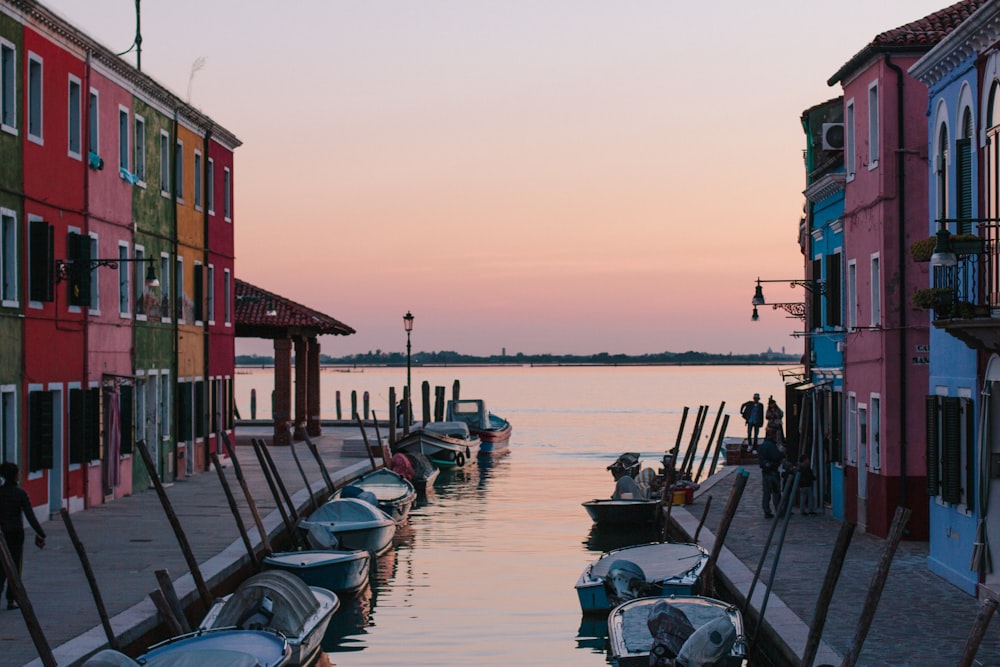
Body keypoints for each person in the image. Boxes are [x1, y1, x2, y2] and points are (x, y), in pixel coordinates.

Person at [0, 462, 46, 610]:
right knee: (15, 566)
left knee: (0, 566)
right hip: (16, 535)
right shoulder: (20, 494)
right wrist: (41, 533)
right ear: (14, 475)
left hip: (2, 534)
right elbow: (30, 516)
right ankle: (11, 599)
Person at [757, 437, 784, 519]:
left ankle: (767, 511)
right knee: (776, 492)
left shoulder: (763, 445)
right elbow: (777, 456)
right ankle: (779, 511)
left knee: (766, 493)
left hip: (765, 472)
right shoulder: (771, 446)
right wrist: (782, 453)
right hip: (772, 471)